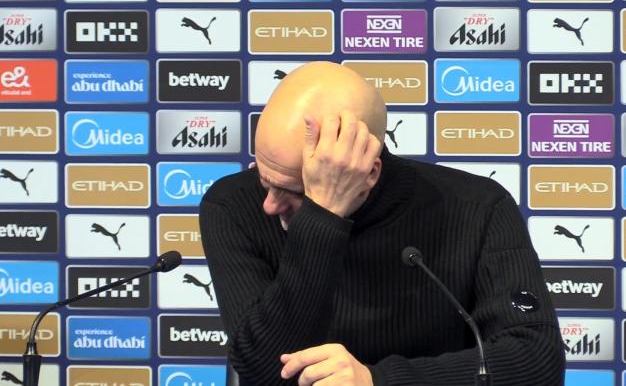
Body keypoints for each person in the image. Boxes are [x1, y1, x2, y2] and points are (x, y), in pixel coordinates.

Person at [199, 61, 565, 386]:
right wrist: (322, 218)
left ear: (368, 173)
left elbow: (537, 362)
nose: (269, 205)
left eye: (295, 190)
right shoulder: (232, 206)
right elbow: (265, 373)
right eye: (264, 180)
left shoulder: (477, 206)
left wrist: (378, 381)